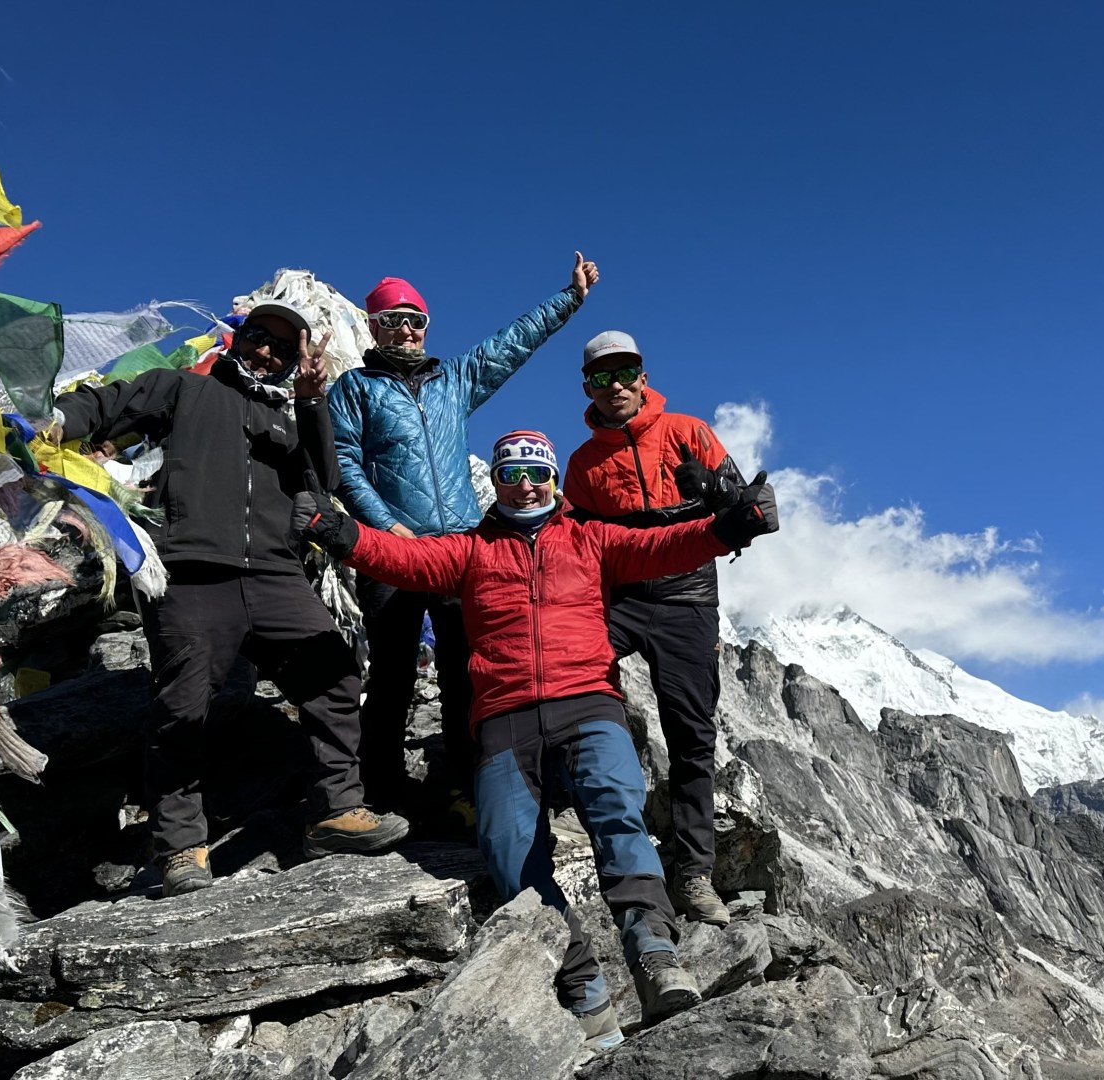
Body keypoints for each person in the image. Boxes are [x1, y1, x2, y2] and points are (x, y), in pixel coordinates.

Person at [292, 429, 779, 1051]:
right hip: (503, 715)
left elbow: (665, 545)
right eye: (510, 473)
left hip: (589, 703)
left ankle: (655, 956)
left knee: (617, 816)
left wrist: (732, 527)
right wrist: (337, 531)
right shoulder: (468, 550)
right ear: (495, 483)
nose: (525, 483)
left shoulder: (591, 538)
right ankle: (583, 989)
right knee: (507, 853)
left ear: (551, 477)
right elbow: (402, 559)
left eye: (536, 472)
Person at [46, 285, 408, 897]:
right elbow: (109, 405)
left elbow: (325, 477)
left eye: (281, 348)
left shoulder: (288, 421)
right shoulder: (185, 389)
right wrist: (55, 423)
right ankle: (180, 846)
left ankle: (334, 812)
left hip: (274, 574)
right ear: (238, 340)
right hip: (190, 571)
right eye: (258, 338)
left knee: (333, 672)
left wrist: (313, 402)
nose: (267, 353)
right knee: (184, 708)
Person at [327, 253, 599, 833]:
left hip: (458, 553)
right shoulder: (353, 389)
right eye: (393, 319)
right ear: (373, 327)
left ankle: (464, 787)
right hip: (392, 554)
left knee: (464, 673)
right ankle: (383, 789)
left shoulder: (453, 379)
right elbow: (343, 464)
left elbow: (510, 344)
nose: (406, 328)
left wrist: (569, 299)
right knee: (394, 675)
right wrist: (383, 523)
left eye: (415, 318)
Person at [562, 331, 745, 926]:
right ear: (586, 386)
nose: (614, 386)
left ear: (643, 375)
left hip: (688, 595)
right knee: (573, 692)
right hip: (617, 599)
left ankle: (693, 874)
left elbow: (746, 508)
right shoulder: (583, 464)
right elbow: (575, 541)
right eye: (600, 377)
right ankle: (589, 825)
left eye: (624, 373)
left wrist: (722, 500)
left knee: (692, 734)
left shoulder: (690, 432)